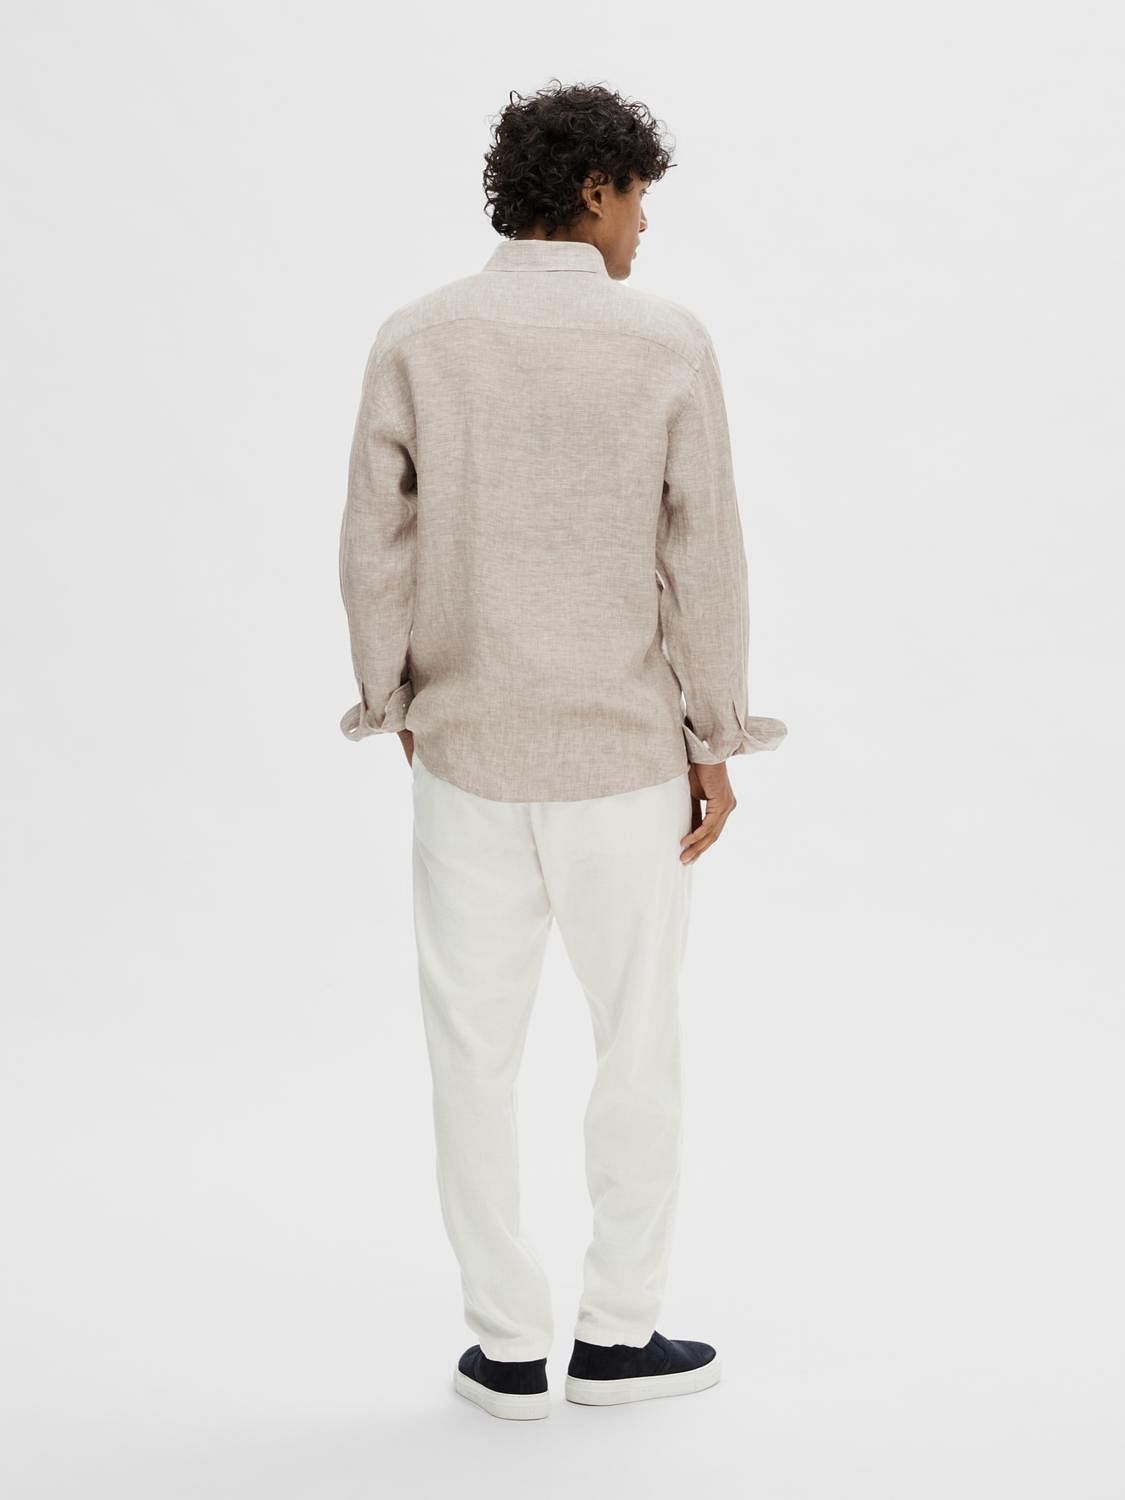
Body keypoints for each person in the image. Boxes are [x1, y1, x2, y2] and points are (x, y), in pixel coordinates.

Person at [337, 79, 787, 1421]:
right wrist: (714, 735)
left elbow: (373, 543)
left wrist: (394, 699)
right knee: (635, 1044)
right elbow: (704, 555)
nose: (644, 225)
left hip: (465, 756)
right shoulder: (664, 343)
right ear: (593, 188)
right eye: (638, 197)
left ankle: (507, 1349)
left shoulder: (419, 336)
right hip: (625, 764)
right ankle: (615, 1335)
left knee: (469, 1054)